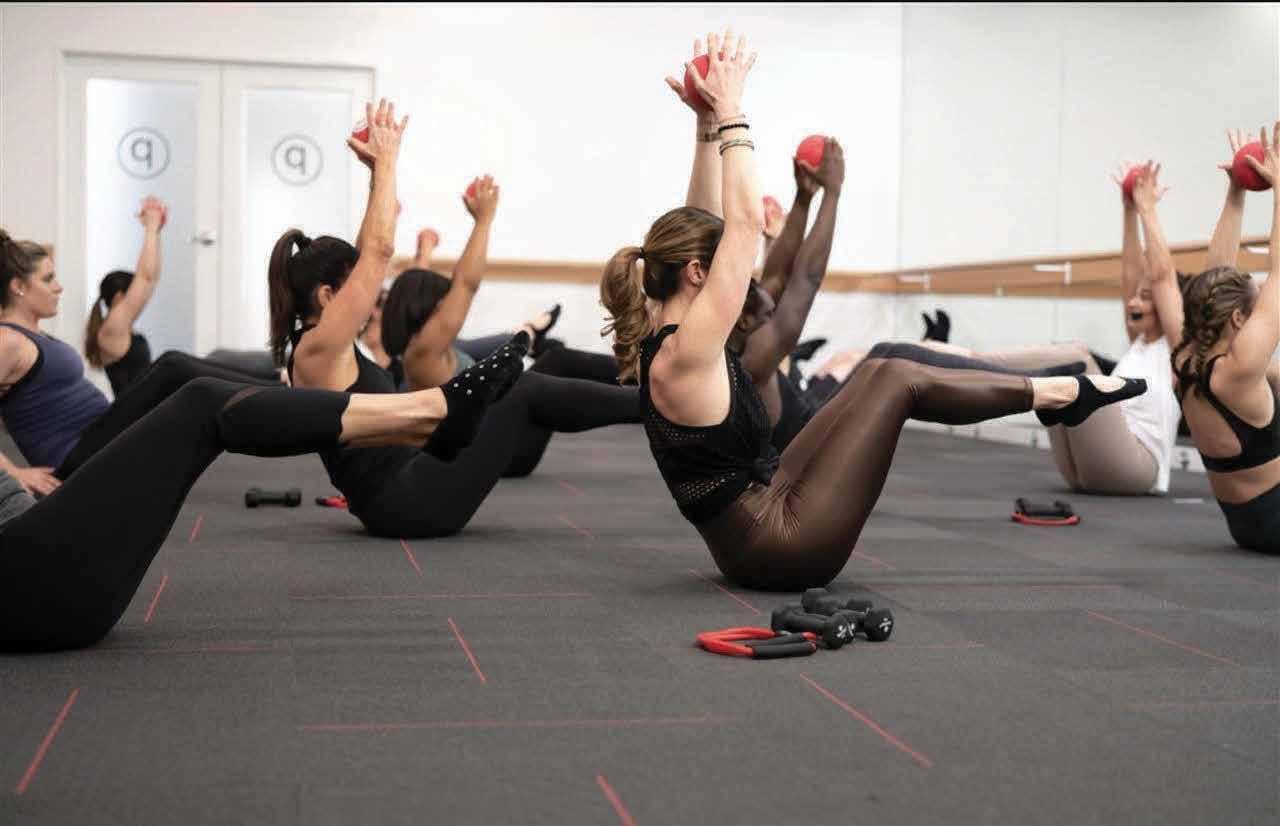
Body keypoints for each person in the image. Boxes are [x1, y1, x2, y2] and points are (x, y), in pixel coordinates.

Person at [601, 31, 1146, 590]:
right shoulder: (689, 351)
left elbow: (703, 222)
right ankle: (1058, 395)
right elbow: (741, 225)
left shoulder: (666, 323)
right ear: (698, 273)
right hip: (778, 547)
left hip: (762, 511)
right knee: (898, 380)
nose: (730, 270)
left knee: (878, 367)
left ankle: (1056, 399)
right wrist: (733, 111)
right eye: (717, 265)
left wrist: (704, 127)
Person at [276, 99, 639, 537]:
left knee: (516, 380)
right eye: (352, 285)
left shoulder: (321, 345)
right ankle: (656, 404)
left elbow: (368, 250)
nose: (366, 293)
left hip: (408, 487)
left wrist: (375, 175)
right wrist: (389, 161)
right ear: (326, 296)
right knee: (525, 388)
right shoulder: (317, 349)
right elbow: (378, 252)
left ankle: (649, 400)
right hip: (405, 503)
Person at [0, 362, 519, 653]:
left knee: (194, 387)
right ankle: (430, 413)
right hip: (31, 585)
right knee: (201, 399)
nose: (58, 285)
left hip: (43, 567)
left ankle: (428, 417)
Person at [1143, 124, 1280, 553]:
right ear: (1238, 319)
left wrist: (1236, 192)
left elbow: (1207, 278)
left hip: (1245, 527)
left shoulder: (1186, 357)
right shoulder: (1239, 371)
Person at [83, 196, 168, 395]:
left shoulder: (119, 326)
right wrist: (150, 226)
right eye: (134, 291)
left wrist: (156, 231)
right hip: (133, 411)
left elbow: (151, 278)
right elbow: (145, 277)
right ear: (120, 296)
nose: (140, 296)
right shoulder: (112, 328)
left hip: (146, 407)